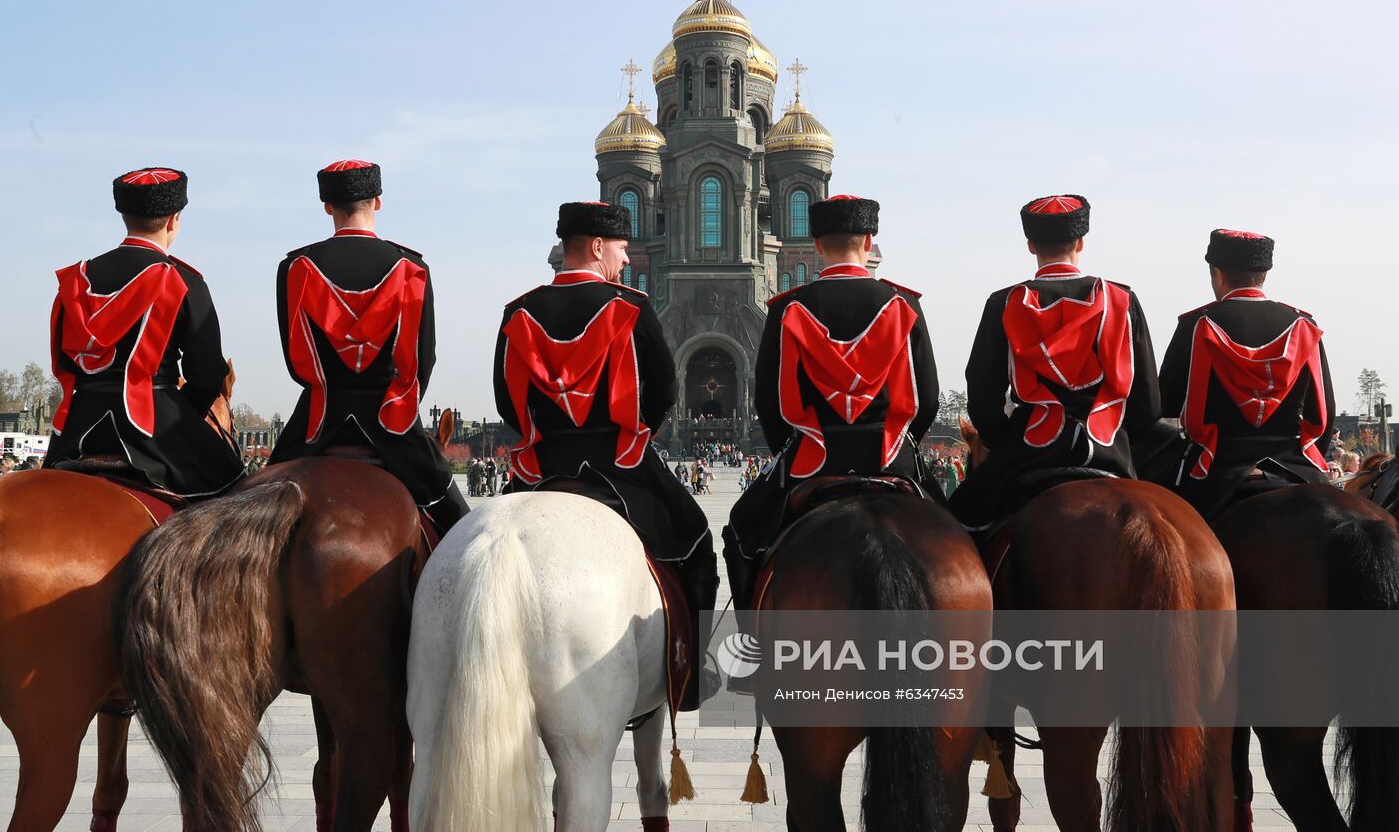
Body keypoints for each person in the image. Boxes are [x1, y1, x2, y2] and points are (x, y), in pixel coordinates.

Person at [492, 200, 717, 710]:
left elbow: (508, 399)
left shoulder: (519, 311)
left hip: (541, 469)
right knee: (696, 541)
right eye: (620, 248)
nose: (627, 258)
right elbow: (661, 390)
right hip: (621, 467)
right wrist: (635, 431)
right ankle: (690, 672)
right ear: (596, 247)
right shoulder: (630, 307)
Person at [724, 194, 942, 614]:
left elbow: (769, 404)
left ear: (817, 245)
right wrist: (898, 443)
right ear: (869, 239)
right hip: (890, 461)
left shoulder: (787, 309)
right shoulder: (904, 305)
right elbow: (926, 398)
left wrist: (787, 453)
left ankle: (752, 651)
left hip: (812, 463)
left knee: (740, 535)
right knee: (967, 531)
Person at [267, 159, 468, 533]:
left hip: (316, 423)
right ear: (377, 201)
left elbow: (296, 361)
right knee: (461, 529)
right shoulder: (412, 268)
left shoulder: (296, 267)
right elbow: (423, 361)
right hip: (392, 421)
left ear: (327, 206)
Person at [949, 194, 1160, 529]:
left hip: (1029, 450)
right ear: (1081, 242)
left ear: (1031, 245)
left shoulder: (1004, 303)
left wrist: (1007, 440)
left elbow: (983, 399)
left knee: (959, 528)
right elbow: (1147, 402)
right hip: (1108, 449)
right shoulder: (1123, 301)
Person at [43, 168, 244, 497]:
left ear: (124, 215)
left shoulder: (76, 280)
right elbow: (208, 375)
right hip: (156, 428)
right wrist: (186, 413)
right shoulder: (183, 281)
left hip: (78, 430)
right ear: (173, 220)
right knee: (235, 485)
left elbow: (63, 364)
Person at [1158, 229, 1334, 521]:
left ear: (1217, 273)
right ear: (1264, 274)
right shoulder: (1303, 324)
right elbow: (1324, 412)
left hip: (1215, 467)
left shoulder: (1195, 323)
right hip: (1295, 464)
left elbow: (1167, 404)